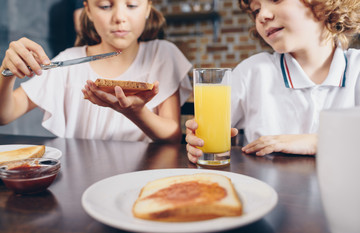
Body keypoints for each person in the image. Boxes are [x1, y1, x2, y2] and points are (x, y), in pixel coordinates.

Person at [186, 0, 360, 162]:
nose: (262, 16)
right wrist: (197, 140)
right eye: (256, 10)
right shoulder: (252, 72)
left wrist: (317, 141)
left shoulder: (357, 69)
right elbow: (204, 135)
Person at [0, 0, 192, 143]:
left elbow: (172, 136)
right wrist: (5, 73)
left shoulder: (162, 54)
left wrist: (135, 112)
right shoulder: (68, 61)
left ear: (148, 8)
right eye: (105, 6)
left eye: (132, 5)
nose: (119, 17)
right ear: (88, 10)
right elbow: (5, 115)